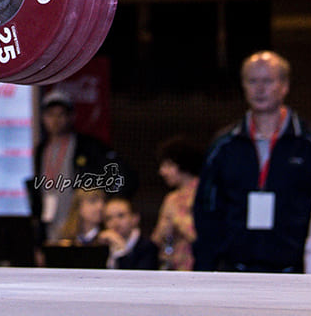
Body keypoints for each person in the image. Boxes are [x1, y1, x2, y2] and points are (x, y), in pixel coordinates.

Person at [193, 51, 311, 273]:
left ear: (285, 86)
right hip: (234, 269)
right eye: (252, 81)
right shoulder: (224, 144)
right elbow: (206, 208)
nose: (259, 89)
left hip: (294, 271)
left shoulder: (308, 142)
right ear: (243, 86)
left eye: (267, 81)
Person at [28, 89, 127, 244]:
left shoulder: (86, 146)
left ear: (71, 117)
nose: (55, 120)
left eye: (60, 115)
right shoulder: (41, 149)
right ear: (43, 118)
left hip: (80, 222)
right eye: (50, 115)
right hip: (49, 220)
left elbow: (115, 175)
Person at [150, 136, 203, 271]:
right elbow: (156, 240)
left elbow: (202, 237)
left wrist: (177, 219)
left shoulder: (203, 193)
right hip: (174, 268)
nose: (162, 171)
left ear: (183, 164)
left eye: (168, 165)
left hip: (200, 267)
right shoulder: (171, 198)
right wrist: (163, 232)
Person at [98, 197, 158, 270]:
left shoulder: (147, 248)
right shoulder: (102, 245)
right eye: (109, 218)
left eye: (121, 215)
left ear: (135, 218)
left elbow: (132, 275)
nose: (115, 222)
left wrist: (121, 249)